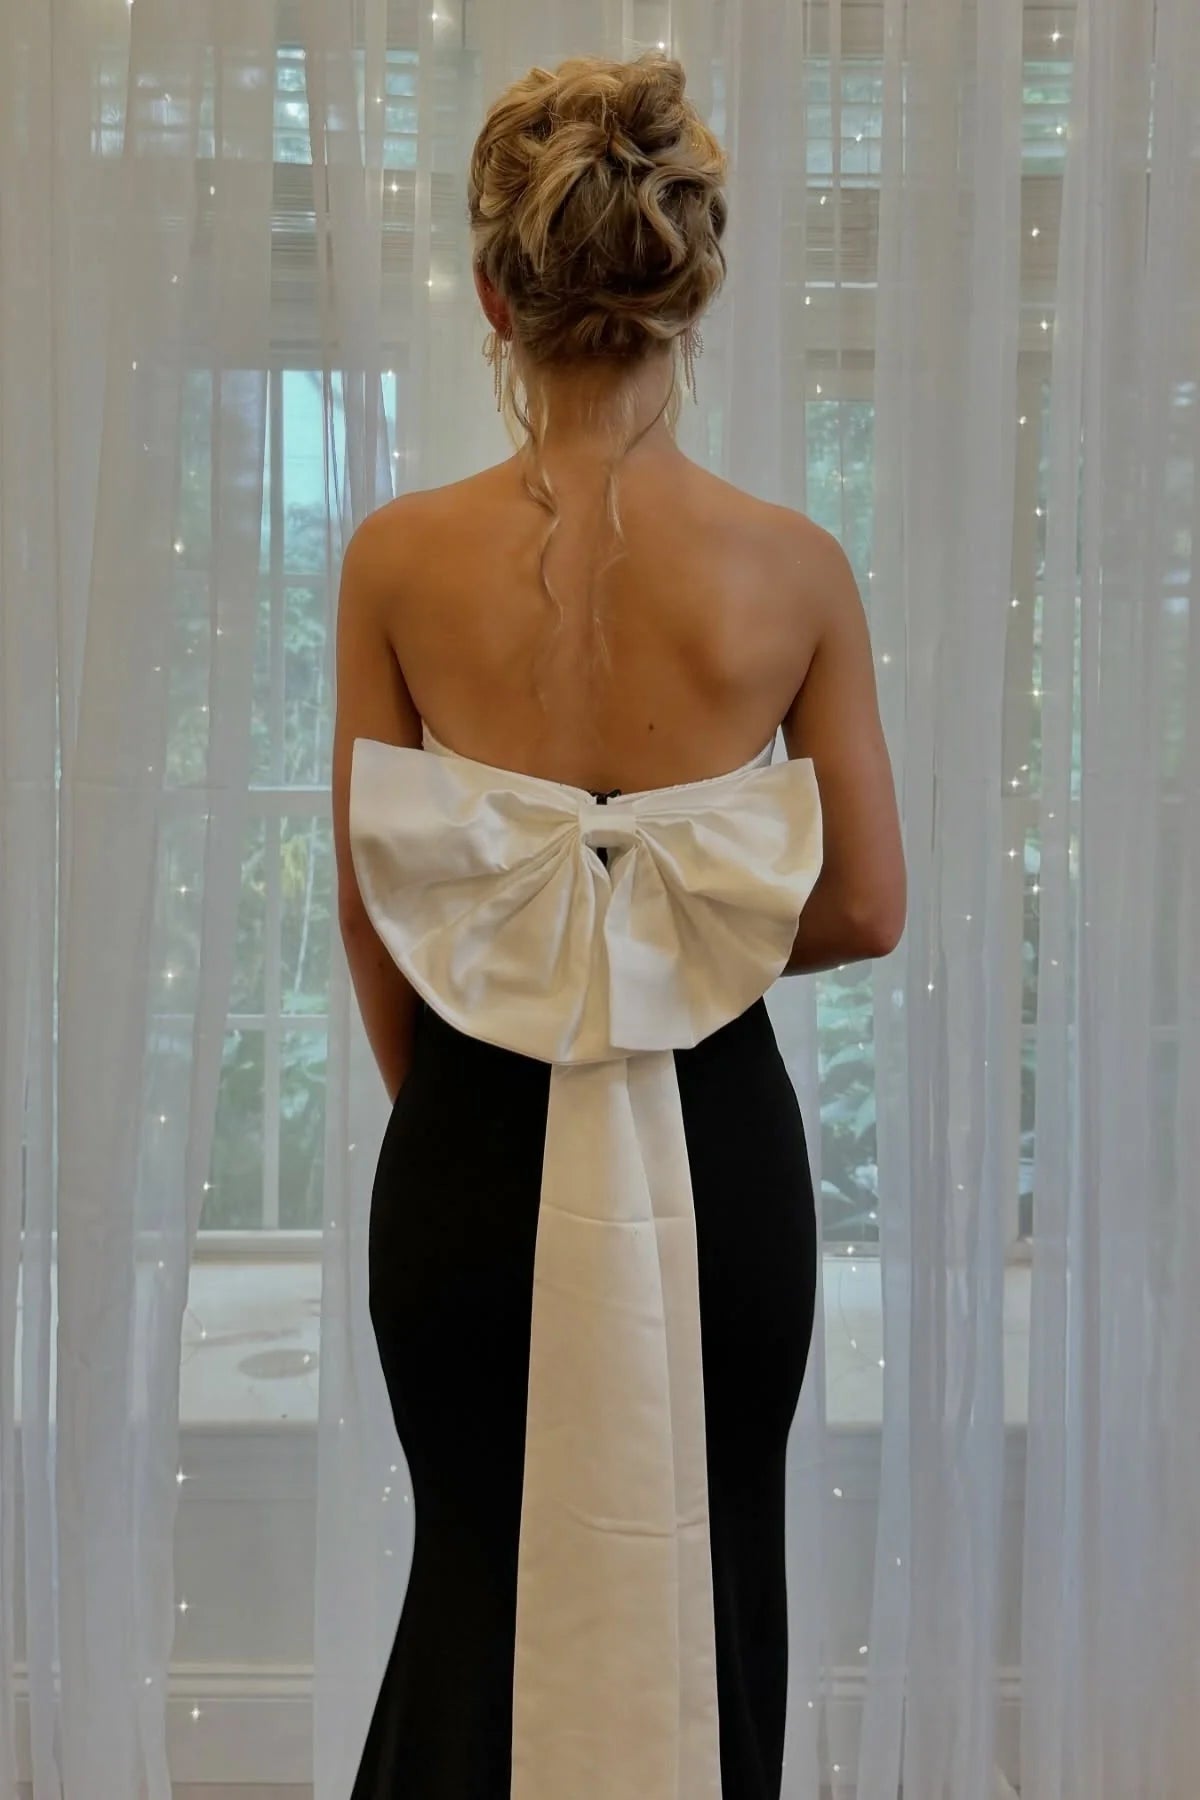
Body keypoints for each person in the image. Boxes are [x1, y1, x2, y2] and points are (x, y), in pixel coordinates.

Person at [332, 49, 904, 1800]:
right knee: (711, 1584)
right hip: (715, 1138)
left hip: (472, 1136)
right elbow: (868, 903)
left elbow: (372, 908)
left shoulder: (396, 558)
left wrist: (491, 1069)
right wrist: (669, 953)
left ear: (494, 295)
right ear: (690, 294)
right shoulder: (795, 567)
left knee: (471, 1592)